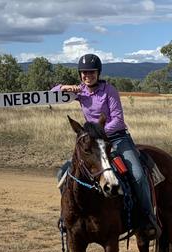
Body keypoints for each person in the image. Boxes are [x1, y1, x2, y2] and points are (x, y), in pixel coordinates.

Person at [53, 53, 161, 240]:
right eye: (84, 73)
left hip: (117, 139)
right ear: (80, 74)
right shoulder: (80, 91)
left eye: (92, 72)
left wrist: (98, 134)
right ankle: (66, 218)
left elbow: (118, 120)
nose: (88, 76)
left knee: (137, 174)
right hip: (93, 144)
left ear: (98, 73)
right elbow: (52, 94)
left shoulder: (109, 90)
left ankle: (147, 218)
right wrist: (62, 87)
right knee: (64, 173)